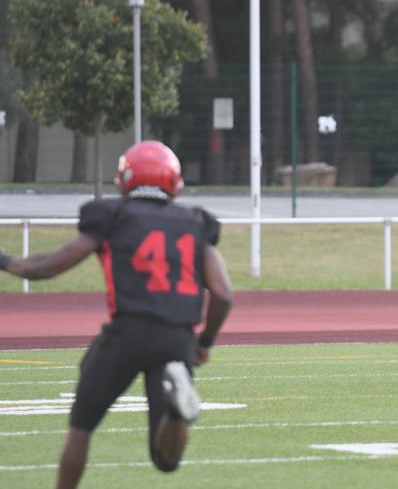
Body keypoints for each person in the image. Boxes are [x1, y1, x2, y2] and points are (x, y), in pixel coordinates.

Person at [0, 140, 234, 488]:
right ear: (175, 182)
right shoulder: (195, 222)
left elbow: (49, 266)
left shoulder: (113, 215)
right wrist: (205, 341)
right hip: (177, 338)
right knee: (166, 460)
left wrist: (6, 261)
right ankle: (175, 409)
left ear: (125, 180)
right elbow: (224, 294)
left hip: (128, 331)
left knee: (81, 428)